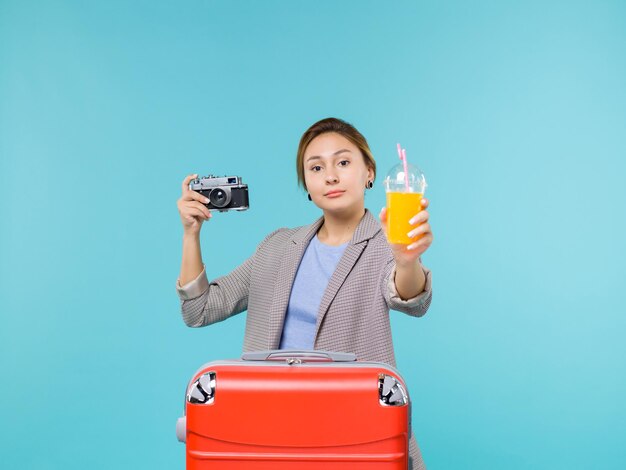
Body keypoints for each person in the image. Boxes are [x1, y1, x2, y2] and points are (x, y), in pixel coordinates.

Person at [175, 117, 434, 469]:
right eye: (316, 167)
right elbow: (200, 309)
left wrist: (406, 260)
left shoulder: (386, 243)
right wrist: (191, 235)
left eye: (343, 162)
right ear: (308, 186)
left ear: (369, 172)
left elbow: (412, 298)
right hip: (270, 432)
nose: (330, 176)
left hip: (354, 435)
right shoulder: (277, 246)